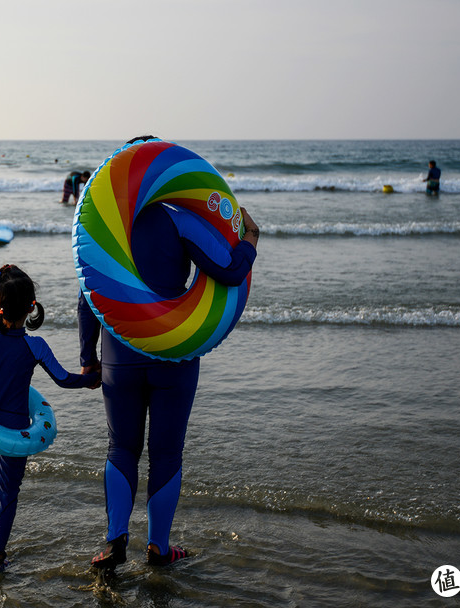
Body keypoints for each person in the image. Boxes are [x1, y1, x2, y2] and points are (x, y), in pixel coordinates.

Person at [79, 136, 260, 571]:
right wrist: (250, 236)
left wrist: (88, 357)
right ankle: (158, 548)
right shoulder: (178, 220)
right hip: (175, 351)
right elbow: (231, 271)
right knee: (166, 453)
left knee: (121, 447)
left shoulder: (103, 228)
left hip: (119, 353)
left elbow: (87, 296)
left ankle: (113, 543)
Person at [0, 265, 100, 574]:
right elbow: (64, 379)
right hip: (17, 429)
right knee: (9, 494)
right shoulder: (35, 346)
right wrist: (92, 379)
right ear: (32, 308)